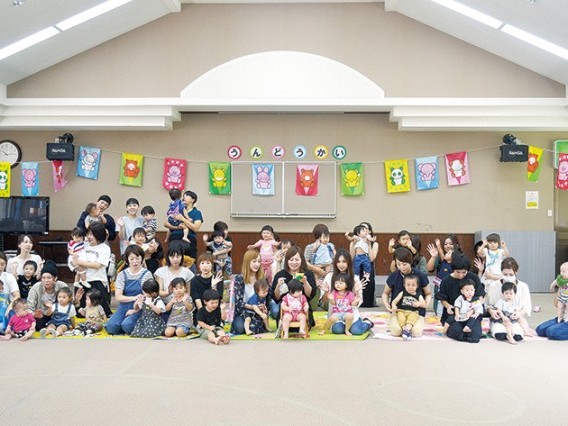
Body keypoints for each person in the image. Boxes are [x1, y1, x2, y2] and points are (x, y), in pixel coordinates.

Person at [320, 249, 373, 336]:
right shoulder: (329, 277)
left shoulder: (354, 278)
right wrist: (326, 293)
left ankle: (367, 323)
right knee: (337, 330)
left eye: (344, 261)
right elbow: (323, 301)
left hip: (350, 313)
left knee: (356, 331)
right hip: (335, 313)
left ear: (349, 262)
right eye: (338, 262)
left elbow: (357, 303)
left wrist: (356, 293)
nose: (341, 265)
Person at [382, 247, 432, 338]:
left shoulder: (421, 275)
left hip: (416, 313)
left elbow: (428, 294)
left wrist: (423, 304)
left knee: (415, 332)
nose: (402, 267)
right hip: (398, 312)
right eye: (398, 264)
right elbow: (385, 293)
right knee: (396, 332)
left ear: (410, 262)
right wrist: (387, 305)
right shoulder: (393, 276)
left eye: (404, 264)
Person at [105, 245, 153, 335]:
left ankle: (128, 325)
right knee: (111, 327)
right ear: (127, 260)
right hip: (123, 307)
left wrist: (135, 308)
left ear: (142, 258)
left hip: (139, 308)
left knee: (128, 325)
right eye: (132, 259)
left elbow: (147, 296)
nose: (135, 261)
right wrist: (134, 298)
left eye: (137, 258)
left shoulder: (146, 274)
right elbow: (118, 297)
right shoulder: (122, 274)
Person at [485, 257, 533, 342]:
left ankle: (521, 331)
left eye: (511, 274)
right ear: (501, 272)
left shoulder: (523, 287)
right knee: (500, 335)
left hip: (515, 318)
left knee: (517, 336)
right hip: (499, 319)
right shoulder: (494, 285)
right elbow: (488, 305)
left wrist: (519, 313)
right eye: (505, 274)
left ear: (516, 272)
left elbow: (526, 307)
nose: (508, 277)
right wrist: (492, 311)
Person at [71, 222, 112, 317]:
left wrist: (80, 262)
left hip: (97, 280)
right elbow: (74, 260)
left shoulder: (105, 248)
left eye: (92, 234)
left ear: (99, 235)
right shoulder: (82, 245)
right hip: (82, 280)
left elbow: (97, 265)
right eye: (88, 234)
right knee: (80, 313)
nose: (89, 237)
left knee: (102, 311)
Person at [271, 245, 317, 327]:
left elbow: (311, 295)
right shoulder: (280, 275)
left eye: (297, 260)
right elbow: (276, 298)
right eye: (291, 260)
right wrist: (278, 285)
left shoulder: (308, 274)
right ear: (287, 261)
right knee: (284, 325)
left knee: (303, 325)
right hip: (286, 309)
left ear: (302, 260)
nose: (294, 262)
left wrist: (305, 283)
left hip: (303, 308)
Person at [436, 252, 485, 327]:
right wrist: (448, 306)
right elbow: (442, 299)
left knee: (473, 331)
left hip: (471, 313)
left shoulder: (474, 277)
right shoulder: (446, 281)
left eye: (464, 272)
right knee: (456, 330)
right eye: (458, 272)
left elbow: (480, 296)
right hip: (453, 314)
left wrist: (474, 308)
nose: (461, 275)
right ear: (453, 269)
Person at [229, 249, 270, 335]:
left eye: (259, 261)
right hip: (243, 311)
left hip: (258, 312)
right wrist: (252, 307)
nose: (257, 264)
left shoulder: (263, 279)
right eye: (254, 261)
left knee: (254, 327)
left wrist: (264, 306)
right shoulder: (240, 278)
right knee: (239, 328)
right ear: (247, 262)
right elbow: (238, 302)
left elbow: (267, 297)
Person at [26, 260, 69, 331]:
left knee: (62, 323)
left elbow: (69, 303)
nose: (46, 281)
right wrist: (34, 314)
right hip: (42, 314)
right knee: (38, 326)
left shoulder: (62, 286)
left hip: (57, 314)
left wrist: (76, 300)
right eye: (43, 278)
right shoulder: (36, 288)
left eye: (49, 278)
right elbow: (29, 307)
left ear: (55, 278)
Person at [426, 234, 461, 316]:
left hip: (454, 288)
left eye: (451, 244)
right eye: (445, 244)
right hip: (440, 286)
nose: (448, 246)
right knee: (440, 306)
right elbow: (429, 269)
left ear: (456, 245)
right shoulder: (443, 258)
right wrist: (434, 255)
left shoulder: (459, 258)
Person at [165, 190, 203, 260]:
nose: (184, 197)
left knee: (189, 261)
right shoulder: (177, 208)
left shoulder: (197, 212)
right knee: (173, 260)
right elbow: (165, 223)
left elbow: (196, 228)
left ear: (193, 200)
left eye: (187, 196)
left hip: (189, 239)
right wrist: (177, 227)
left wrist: (183, 219)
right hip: (174, 238)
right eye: (183, 196)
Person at [444, 279, 484, 343]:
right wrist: (457, 314)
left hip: (471, 320)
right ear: (462, 291)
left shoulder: (476, 300)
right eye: (467, 290)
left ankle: (467, 330)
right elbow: (457, 306)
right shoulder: (460, 298)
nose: (470, 292)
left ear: (474, 290)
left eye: (472, 290)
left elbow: (478, 309)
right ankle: (464, 336)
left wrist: (474, 313)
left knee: (475, 335)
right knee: (454, 330)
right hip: (460, 318)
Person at [390, 274, 426, 340]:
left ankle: (407, 330)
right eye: (408, 285)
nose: (410, 287)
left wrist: (419, 303)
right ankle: (404, 329)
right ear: (404, 285)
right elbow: (395, 301)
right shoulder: (402, 293)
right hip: (402, 311)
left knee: (412, 319)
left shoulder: (418, 295)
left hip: (413, 311)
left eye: (413, 285)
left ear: (417, 286)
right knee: (400, 318)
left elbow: (424, 304)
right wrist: (394, 305)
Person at [354, 222, 379, 307]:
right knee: (357, 284)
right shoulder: (356, 241)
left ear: (370, 231)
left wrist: (368, 244)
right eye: (362, 229)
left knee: (368, 286)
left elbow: (371, 258)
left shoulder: (374, 243)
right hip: (357, 266)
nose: (364, 231)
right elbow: (351, 257)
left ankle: (369, 302)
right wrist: (354, 244)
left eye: (366, 229)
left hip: (367, 267)